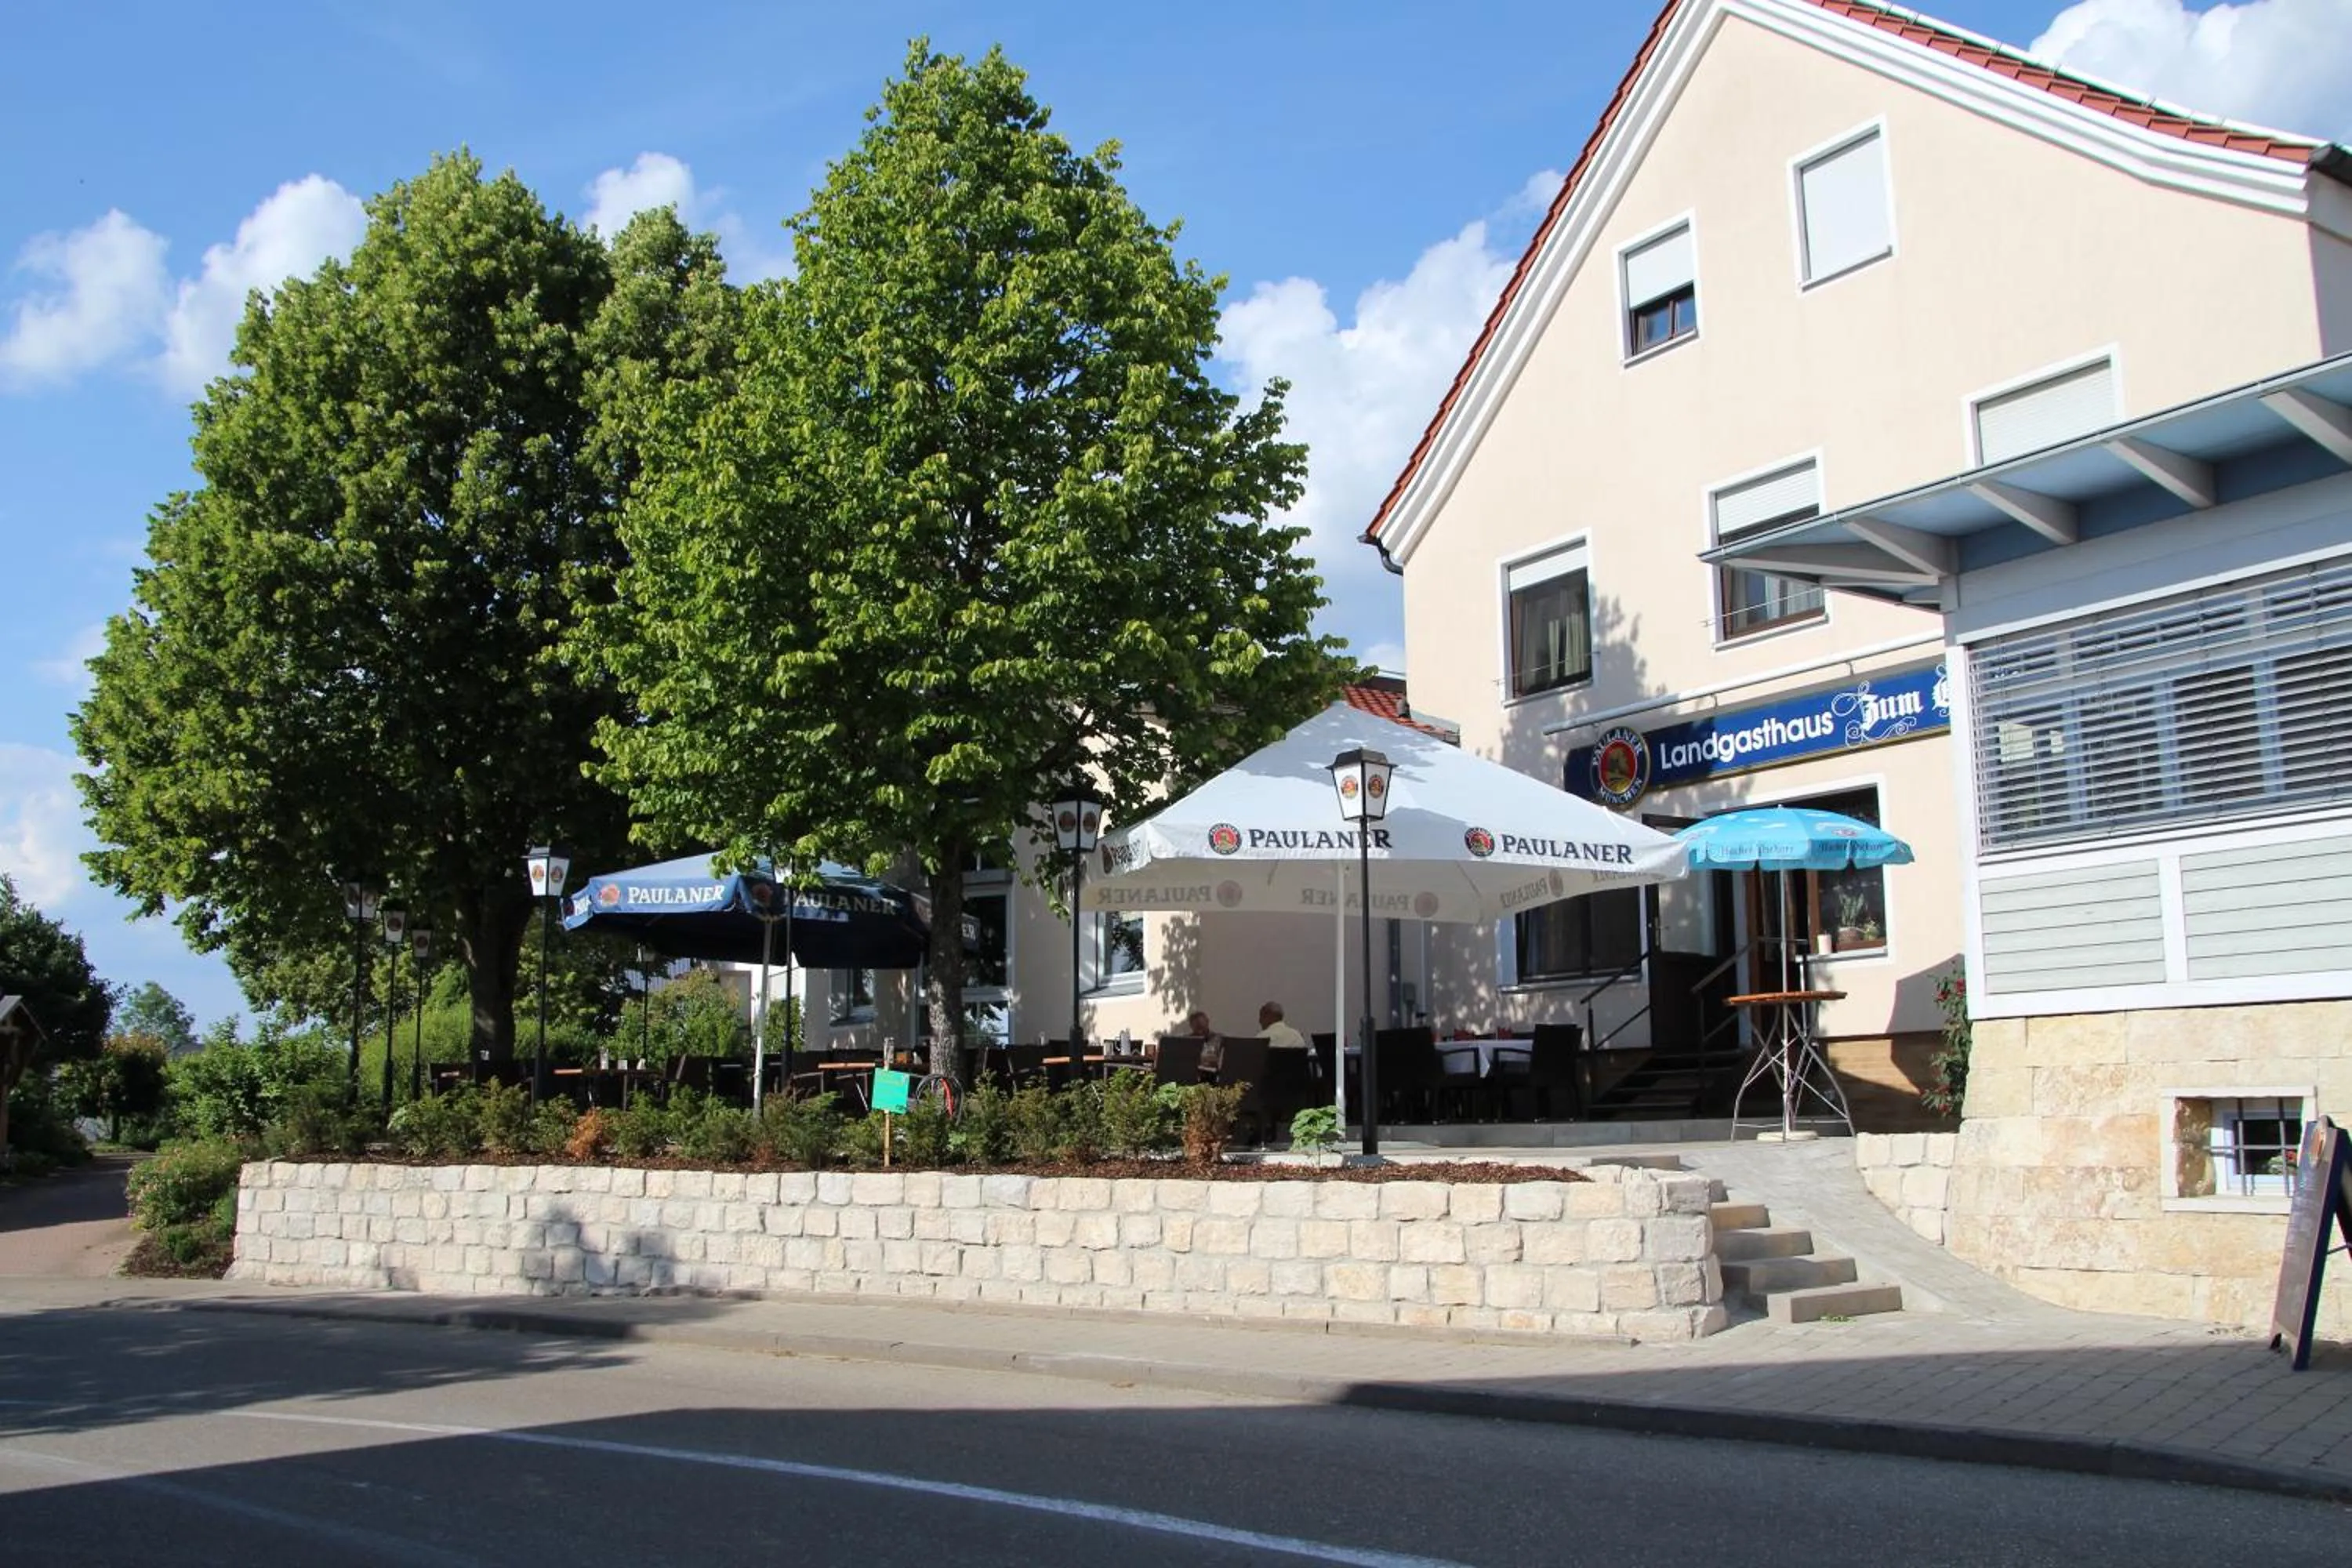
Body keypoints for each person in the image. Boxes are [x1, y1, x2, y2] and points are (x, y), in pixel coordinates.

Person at [1186, 1009, 1223, 1080]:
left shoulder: (1219, 1039)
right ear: (1191, 1026)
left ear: (1207, 1022)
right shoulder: (1187, 1041)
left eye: (1202, 1027)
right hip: (1193, 1075)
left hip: (1213, 1076)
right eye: (1197, 1028)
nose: (1200, 1032)